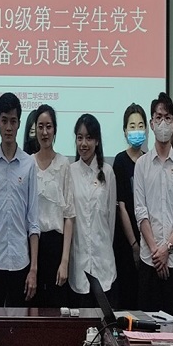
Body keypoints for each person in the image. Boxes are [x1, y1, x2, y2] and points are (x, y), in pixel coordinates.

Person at [0, 92, 40, 307]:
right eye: (4, 121)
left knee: (19, 324)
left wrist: (33, 269)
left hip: (22, 262)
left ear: (19, 123)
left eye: (13, 121)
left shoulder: (29, 164)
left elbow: (33, 221)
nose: (8, 127)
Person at [135, 93, 173, 314]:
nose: (163, 123)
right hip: (149, 260)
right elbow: (140, 211)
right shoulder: (141, 165)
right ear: (151, 123)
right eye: (158, 117)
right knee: (146, 325)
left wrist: (167, 249)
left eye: (167, 118)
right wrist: (157, 252)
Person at [68, 114, 117, 306]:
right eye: (79, 138)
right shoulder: (70, 172)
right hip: (78, 264)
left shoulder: (108, 172)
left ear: (97, 141)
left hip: (103, 264)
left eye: (89, 138)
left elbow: (110, 221)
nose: (83, 143)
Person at [31, 104, 75, 308]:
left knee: (56, 308)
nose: (44, 132)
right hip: (32, 245)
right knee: (33, 307)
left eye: (48, 126)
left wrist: (64, 261)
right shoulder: (28, 163)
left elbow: (69, 216)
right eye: (40, 126)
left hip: (56, 246)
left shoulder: (63, 164)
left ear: (55, 129)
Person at [112, 103, 146, 310]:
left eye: (140, 126)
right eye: (132, 126)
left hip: (148, 241)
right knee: (126, 301)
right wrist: (134, 245)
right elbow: (121, 206)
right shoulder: (120, 161)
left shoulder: (149, 160)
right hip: (126, 243)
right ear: (125, 131)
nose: (136, 130)